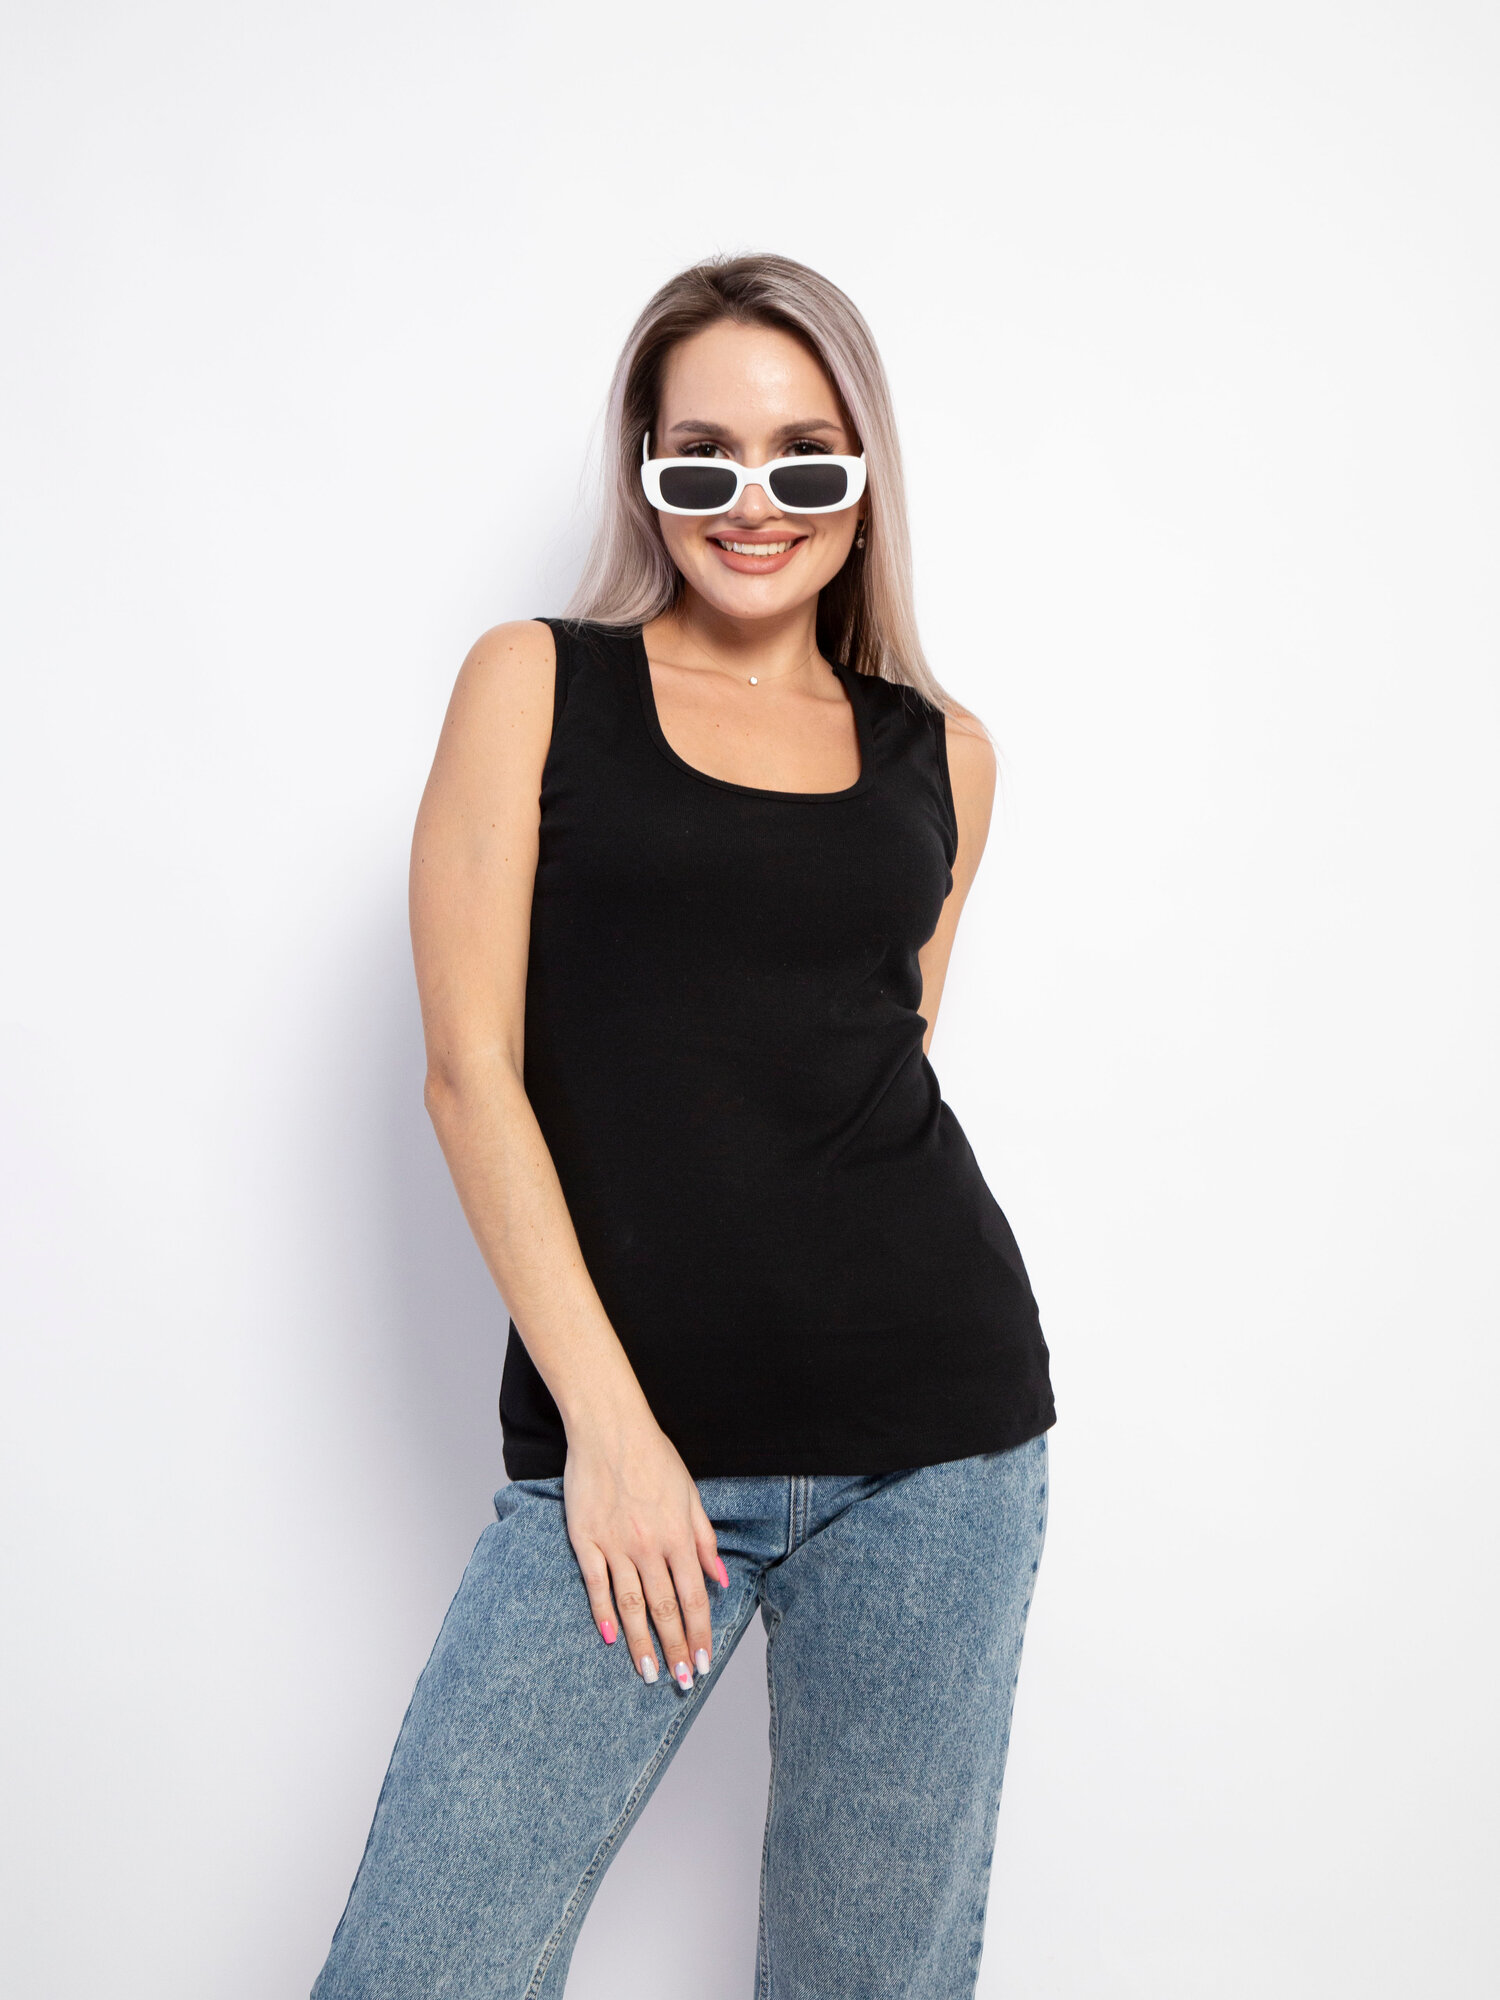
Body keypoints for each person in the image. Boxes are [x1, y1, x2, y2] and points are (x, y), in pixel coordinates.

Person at [311, 252, 1056, 2000]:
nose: (753, 502)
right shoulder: (534, 682)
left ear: (864, 480)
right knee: (419, 1970)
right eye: (700, 457)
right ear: (645, 470)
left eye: (805, 458)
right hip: (632, 1452)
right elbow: (469, 1073)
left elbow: (872, 1060)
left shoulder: (946, 753)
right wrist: (614, 1432)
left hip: (937, 1446)